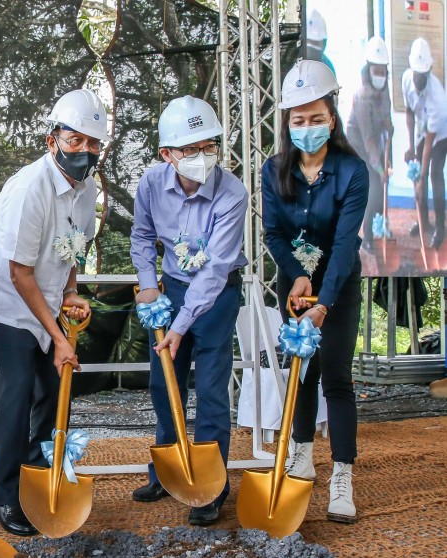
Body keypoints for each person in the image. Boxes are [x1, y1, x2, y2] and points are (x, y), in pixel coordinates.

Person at [0, 89, 107, 536]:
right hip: (6, 302)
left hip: (45, 298)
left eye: (93, 142)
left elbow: (73, 250)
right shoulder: (30, 188)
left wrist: (70, 292)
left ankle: (38, 474)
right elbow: (19, 272)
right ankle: (6, 496)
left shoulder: (87, 190)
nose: (84, 150)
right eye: (75, 140)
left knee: (52, 388)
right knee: (19, 387)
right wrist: (60, 338)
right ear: (53, 141)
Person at [128, 96, 249, 527]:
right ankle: (167, 471)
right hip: (170, 290)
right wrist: (148, 284)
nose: (203, 156)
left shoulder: (233, 193)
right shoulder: (150, 183)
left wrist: (180, 327)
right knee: (165, 384)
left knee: (212, 392)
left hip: (217, 297)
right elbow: (142, 236)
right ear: (167, 154)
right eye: (190, 148)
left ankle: (211, 488)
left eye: (209, 145)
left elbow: (215, 269)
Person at [262, 59, 368, 524]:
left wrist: (324, 300)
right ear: (288, 122)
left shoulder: (352, 171)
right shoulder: (273, 170)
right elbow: (273, 233)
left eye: (316, 118)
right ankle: (301, 456)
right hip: (295, 287)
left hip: (337, 289)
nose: (307, 127)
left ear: (332, 118)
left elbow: (345, 244)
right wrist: (296, 276)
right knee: (301, 373)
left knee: (336, 378)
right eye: (299, 119)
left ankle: (342, 475)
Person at [345, 37, 393, 252]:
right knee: (373, 188)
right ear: (368, 71)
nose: (380, 76)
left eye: (383, 71)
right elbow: (368, 139)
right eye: (376, 71)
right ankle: (367, 240)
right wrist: (380, 169)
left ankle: (380, 227)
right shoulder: (362, 98)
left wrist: (388, 125)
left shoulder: (384, 91)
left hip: (374, 144)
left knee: (381, 188)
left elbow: (384, 118)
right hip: (358, 148)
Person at [402, 37, 447, 248]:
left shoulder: (438, 97)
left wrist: (422, 175)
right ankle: (424, 223)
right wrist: (411, 147)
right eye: (417, 74)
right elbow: (409, 113)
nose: (419, 79)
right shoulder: (406, 79)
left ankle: (440, 226)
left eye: (423, 75)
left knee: (434, 174)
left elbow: (431, 139)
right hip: (422, 132)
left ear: (429, 71)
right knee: (418, 173)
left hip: (440, 135)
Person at [304, 8, 336, 77]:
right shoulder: (292, 59)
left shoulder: (328, 68)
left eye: (315, 43)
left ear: (324, 44)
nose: (311, 47)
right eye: (308, 42)